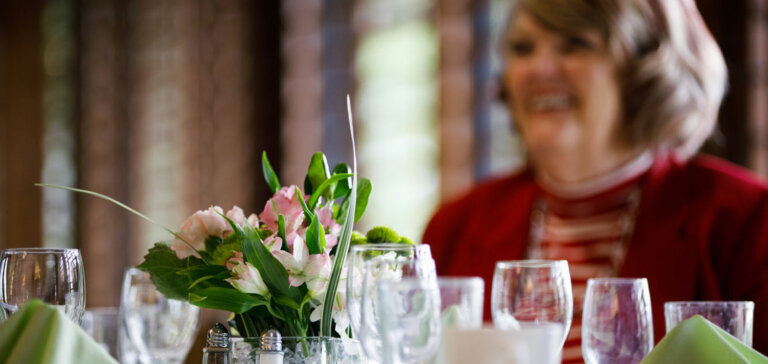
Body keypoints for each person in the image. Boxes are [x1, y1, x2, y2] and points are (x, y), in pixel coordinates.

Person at [422, 0, 768, 362]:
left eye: (575, 44)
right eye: (522, 49)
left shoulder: (747, 222)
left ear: (645, 70)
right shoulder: (454, 227)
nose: (539, 68)